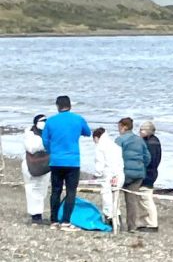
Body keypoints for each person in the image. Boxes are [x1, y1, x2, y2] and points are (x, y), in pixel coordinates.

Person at [41, 95, 92, 229]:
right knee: (71, 191)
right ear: (70, 106)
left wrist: (51, 150)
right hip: (72, 161)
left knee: (56, 191)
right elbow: (88, 132)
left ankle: (54, 220)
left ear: (57, 106)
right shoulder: (77, 119)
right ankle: (65, 221)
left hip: (56, 160)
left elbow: (45, 140)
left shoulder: (51, 121)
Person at [115, 117, 150, 233]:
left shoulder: (120, 140)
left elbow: (114, 157)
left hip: (124, 172)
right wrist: (141, 166)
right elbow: (147, 157)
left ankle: (116, 222)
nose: (118, 129)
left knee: (115, 198)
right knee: (132, 200)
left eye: (119, 127)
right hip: (138, 173)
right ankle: (132, 226)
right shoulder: (140, 140)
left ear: (124, 127)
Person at [21, 113, 50, 224]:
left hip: (44, 165)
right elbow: (32, 148)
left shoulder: (48, 134)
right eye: (42, 121)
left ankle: (39, 213)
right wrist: (46, 143)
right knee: (32, 189)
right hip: (31, 165)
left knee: (42, 190)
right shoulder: (30, 134)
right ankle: (35, 215)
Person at [92, 127, 125, 225]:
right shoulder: (114, 145)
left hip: (108, 174)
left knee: (106, 196)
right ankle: (118, 218)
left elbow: (100, 163)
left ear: (96, 137)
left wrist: (97, 174)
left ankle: (109, 219)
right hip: (119, 173)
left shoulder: (100, 146)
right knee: (116, 197)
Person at [137, 120, 162, 232]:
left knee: (146, 198)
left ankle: (152, 223)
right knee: (142, 198)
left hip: (148, 173)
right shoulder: (153, 141)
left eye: (142, 130)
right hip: (151, 172)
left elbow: (150, 160)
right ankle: (145, 221)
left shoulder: (151, 143)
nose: (140, 132)